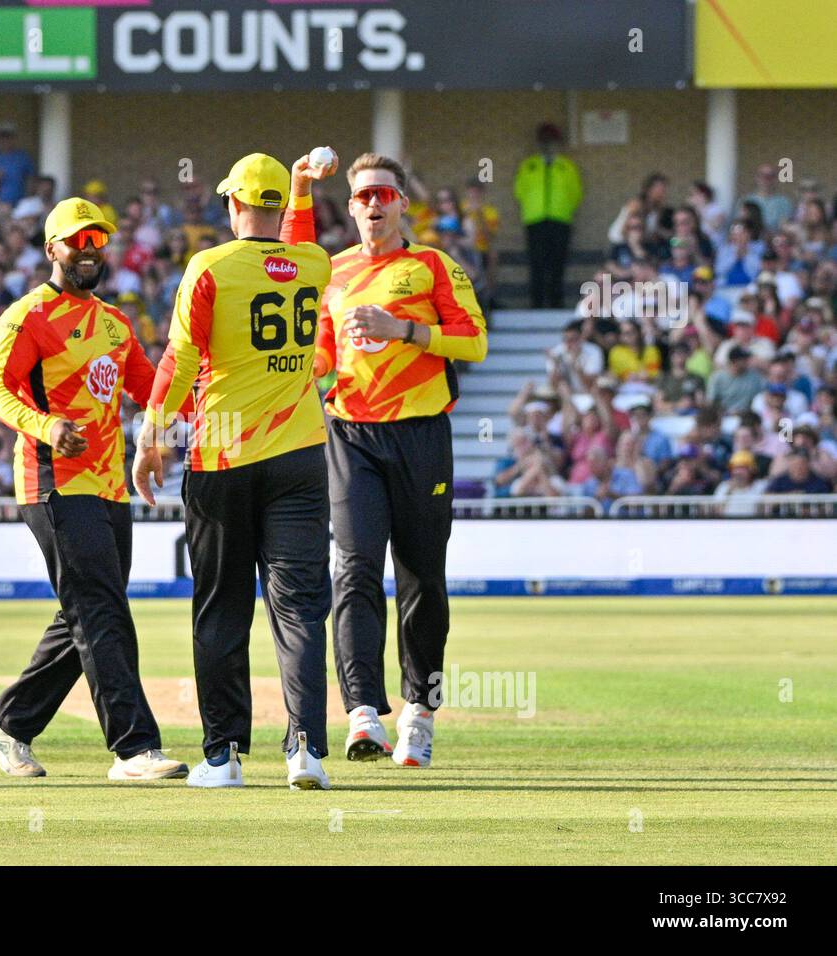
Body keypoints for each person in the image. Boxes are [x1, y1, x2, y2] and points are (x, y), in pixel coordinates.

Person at [132, 152, 335, 791]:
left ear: (232, 205)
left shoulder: (210, 267)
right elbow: (292, 246)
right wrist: (300, 187)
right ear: (277, 208)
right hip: (301, 451)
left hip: (222, 453)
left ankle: (222, 757)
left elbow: (181, 356)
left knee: (221, 609)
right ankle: (305, 749)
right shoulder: (316, 263)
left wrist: (151, 436)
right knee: (299, 607)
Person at [0, 197, 185, 782]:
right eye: (77, 242)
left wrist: (215, 393)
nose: (89, 251)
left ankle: (6, 723)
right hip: (52, 483)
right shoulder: (26, 316)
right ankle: (134, 749)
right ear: (51, 250)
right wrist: (46, 425)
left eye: (97, 242)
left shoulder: (116, 324)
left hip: (109, 487)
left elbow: (152, 388)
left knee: (87, 611)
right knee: (100, 608)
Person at [291, 151, 488, 767]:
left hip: (422, 434)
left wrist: (402, 330)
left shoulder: (432, 266)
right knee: (352, 568)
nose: (374, 204)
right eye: (363, 196)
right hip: (351, 434)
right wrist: (299, 370)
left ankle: (420, 713)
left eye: (384, 194)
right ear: (349, 207)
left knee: (422, 577)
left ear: (403, 203)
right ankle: (363, 714)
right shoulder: (333, 271)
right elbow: (322, 355)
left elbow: (475, 341)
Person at [513, 123, 583, 308]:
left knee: (557, 262)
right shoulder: (529, 165)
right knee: (537, 262)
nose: (547, 145)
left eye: (551, 141)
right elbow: (520, 190)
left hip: (560, 219)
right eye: (544, 141)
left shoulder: (566, 166)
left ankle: (556, 302)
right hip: (535, 220)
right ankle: (536, 302)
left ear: (558, 143)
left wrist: (565, 208)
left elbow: (576, 192)